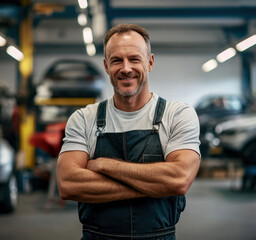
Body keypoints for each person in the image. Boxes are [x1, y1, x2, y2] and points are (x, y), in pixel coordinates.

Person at [57, 23, 201, 240]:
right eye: (116, 60)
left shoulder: (177, 115)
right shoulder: (84, 119)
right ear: (106, 66)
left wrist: (104, 165)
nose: (125, 68)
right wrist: (156, 187)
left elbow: (179, 180)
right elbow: (68, 184)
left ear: (150, 62)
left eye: (134, 59)